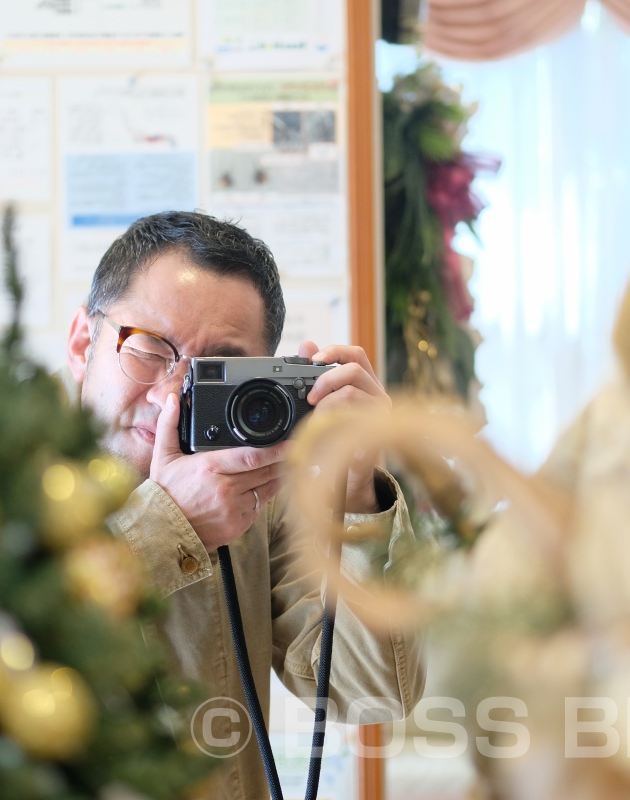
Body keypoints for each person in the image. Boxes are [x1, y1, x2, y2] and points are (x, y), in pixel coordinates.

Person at [63, 210, 424, 799]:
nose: (171, 396)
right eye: (152, 349)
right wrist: (164, 530)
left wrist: (358, 490)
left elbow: (375, 690)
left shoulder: (258, 493)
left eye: (212, 374)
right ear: (84, 342)